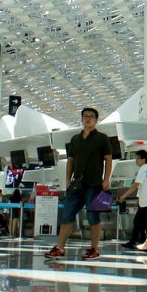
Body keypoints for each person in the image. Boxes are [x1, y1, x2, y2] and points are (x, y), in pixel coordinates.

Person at [46, 107, 112, 260]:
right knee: (67, 216)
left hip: (94, 184)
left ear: (96, 120)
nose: (87, 119)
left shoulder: (102, 138)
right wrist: (67, 180)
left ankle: (94, 249)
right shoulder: (75, 139)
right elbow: (70, 161)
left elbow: (108, 159)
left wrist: (106, 179)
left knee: (93, 216)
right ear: (82, 119)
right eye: (85, 116)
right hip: (76, 185)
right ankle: (59, 248)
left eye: (91, 116)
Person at [116, 149, 147, 251]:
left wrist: (123, 196)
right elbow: (143, 186)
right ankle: (137, 242)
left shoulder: (143, 169)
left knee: (145, 224)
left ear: (143, 159)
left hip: (145, 202)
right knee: (141, 222)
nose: (136, 160)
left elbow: (136, 185)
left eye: (137, 158)